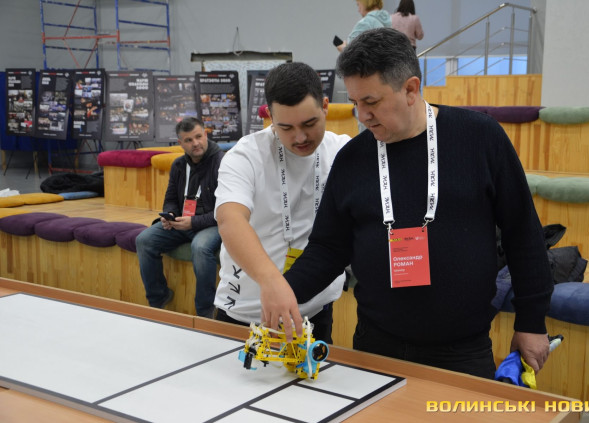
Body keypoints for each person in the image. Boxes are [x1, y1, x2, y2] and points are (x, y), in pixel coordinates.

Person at [266, 28, 555, 379]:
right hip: (375, 345)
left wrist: (532, 321)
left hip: (462, 350)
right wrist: (284, 291)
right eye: (355, 103)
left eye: (371, 102)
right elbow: (328, 249)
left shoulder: (480, 138)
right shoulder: (353, 159)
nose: (361, 115)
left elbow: (522, 233)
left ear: (410, 89)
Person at [213, 62, 350, 343]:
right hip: (248, 313)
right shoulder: (245, 156)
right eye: (285, 127)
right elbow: (230, 220)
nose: (300, 137)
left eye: (309, 124)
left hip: (315, 311)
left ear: (325, 106)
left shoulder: (342, 151)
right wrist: (272, 280)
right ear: (270, 117)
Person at [136, 117, 224, 318]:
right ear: (180, 143)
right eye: (188, 140)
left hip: (213, 223)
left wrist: (193, 222)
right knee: (144, 240)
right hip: (183, 222)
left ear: (205, 135)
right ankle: (158, 298)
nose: (195, 143)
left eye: (198, 137)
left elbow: (224, 210)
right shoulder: (178, 165)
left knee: (200, 248)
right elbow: (170, 200)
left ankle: (205, 312)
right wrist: (170, 216)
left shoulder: (222, 162)